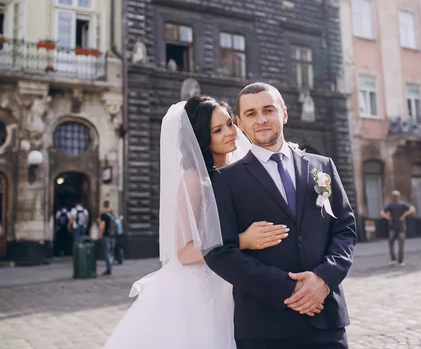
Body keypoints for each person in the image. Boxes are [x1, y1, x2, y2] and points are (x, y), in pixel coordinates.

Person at [104, 95, 289, 348]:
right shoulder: (193, 180)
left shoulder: (239, 171)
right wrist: (242, 240)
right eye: (217, 130)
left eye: (229, 124)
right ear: (203, 138)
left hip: (237, 277)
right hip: (201, 285)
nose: (230, 133)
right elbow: (184, 252)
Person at [205, 82, 357, 349]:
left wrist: (323, 279)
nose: (261, 119)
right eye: (251, 114)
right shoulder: (224, 180)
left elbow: (345, 230)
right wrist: (290, 290)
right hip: (265, 327)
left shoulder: (323, 166)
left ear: (283, 114)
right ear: (240, 123)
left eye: (268, 110)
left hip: (327, 318)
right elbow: (219, 252)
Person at [380, 190, 415, 266]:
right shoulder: (402, 204)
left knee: (391, 243)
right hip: (401, 227)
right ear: (399, 197)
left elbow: (382, 213)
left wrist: (388, 217)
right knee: (401, 245)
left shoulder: (390, 204)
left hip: (392, 227)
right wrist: (404, 215)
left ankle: (393, 259)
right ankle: (400, 261)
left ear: (392, 197)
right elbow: (412, 209)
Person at [99, 201, 116, 276]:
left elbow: (102, 225)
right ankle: (110, 268)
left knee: (107, 252)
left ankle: (109, 270)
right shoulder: (112, 214)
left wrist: (101, 234)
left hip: (106, 235)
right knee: (111, 252)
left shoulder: (103, 215)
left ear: (104, 206)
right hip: (113, 235)